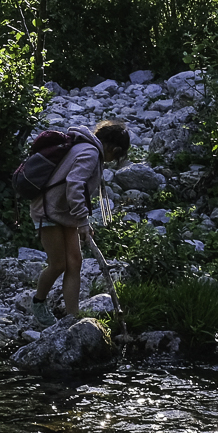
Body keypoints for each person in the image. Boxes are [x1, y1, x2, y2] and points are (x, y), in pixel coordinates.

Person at [30, 119, 130, 325]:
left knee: (75, 263)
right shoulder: (90, 153)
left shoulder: (86, 147)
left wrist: (82, 220)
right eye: (115, 156)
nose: (111, 161)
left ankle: (72, 318)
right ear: (114, 148)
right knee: (58, 264)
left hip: (65, 213)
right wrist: (83, 221)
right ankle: (38, 303)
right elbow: (74, 186)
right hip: (48, 211)